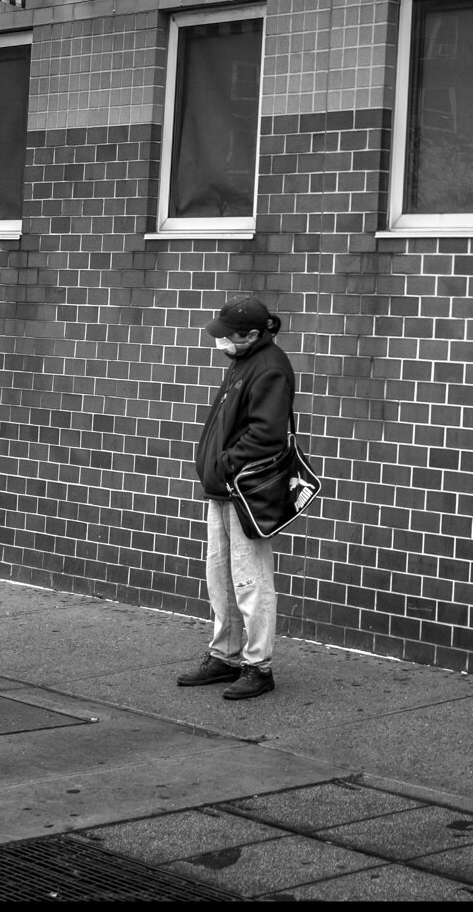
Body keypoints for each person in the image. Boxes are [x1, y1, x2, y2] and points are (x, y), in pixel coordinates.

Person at [176, 294, 296, 701]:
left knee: (251, 580)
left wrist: (225, 463)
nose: (221, 342)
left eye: (229, 336)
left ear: (252, 334)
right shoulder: (244, 362)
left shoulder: (270, 368)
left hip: (243, 490)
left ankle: (258, 666)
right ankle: (224, 655)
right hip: (223, 488)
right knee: (221, 577)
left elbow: (267, 435)